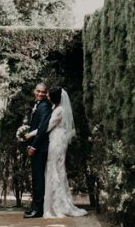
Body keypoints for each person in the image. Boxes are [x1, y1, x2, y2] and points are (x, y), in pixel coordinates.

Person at [42, 87, 87, 219]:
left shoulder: (58, 110)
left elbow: (47, 127)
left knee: (54, 169)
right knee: (58, 170)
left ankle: (57, 205)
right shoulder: (59, 108)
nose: (48, 97)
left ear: (55, 97)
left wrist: (29, 133)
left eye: (49, 96)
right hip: (60, 141)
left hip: (56, 141)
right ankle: (60, 202)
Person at [19, 82, 52, 218]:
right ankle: (35, 206)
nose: (40, 94)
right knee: (36, 178)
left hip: (40, 148)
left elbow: (43, 129)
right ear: (34, 91)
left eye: (43, 92)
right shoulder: (37, 105)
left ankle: (38, 210)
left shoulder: (44, 107)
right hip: (35, 146)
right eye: (38, 91)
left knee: (39, 179)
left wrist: (34, 146)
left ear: (46, 93)